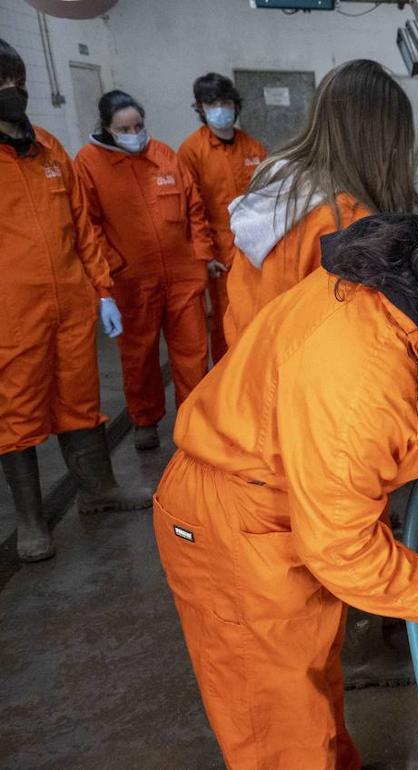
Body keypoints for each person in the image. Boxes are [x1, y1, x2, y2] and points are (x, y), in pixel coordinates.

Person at [153, 201, 418, 767]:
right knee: (281, 732)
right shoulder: (361, 382)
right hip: (237, 528)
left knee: (312, 687)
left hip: (292, 505)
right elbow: (343, 550)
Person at [0, 39, 150, 562]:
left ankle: (99, 492)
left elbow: (82, 227)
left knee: (80, 400)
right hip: (11, 315)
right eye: (1, 85)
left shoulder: (48, 149)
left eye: (15, 81)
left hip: (70, 303)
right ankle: (30, 521)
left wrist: (103, 289)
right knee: (16, 412)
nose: (10, 93)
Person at [224, 59, 418, 344]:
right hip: (301, 380)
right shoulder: (347, 223)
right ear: (383, 143)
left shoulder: (275, 191)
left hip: (248, 367)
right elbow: (360, 340)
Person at [75, 91, 218, 451]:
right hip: (132, 281)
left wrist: (201, 255)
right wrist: (113, 269)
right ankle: (145, 419)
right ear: (106, 128)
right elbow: (87, 226)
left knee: (193, 353)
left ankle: (193, 420)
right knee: (139, 356)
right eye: (124, 128)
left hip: (183, 275)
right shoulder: (89, 165)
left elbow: (195, 208)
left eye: (139, 125)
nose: (134, 133)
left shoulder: (164, 155)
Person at [178, 72, 267, 364]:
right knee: (223, 325)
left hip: (255, 251)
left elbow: (266, 200)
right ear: (201, 108)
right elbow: (192, 209)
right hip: (219, 256)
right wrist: (204, 255)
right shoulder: (192, 151)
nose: (220, 109)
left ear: (235, 105)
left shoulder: (253, 148)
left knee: (257, 318)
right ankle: (226, 384)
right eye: (212, 103)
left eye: (225, 102)